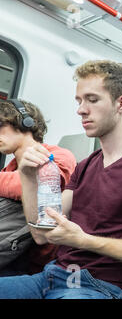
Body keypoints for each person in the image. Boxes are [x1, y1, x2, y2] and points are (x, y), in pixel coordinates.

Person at [0, 60, 122, 299]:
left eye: (92, 100)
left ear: (121, 103)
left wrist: (83, 240)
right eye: (79, 101)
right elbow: (42, 234)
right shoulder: (86, 165)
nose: (81, 110)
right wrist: (28, 178)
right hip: (53, 276)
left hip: (101, 286)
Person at [0, 99, 77, 276]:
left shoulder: (58, 156)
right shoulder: (9, 168)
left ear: (25, 123)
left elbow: (37, 188)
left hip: (33, 264)